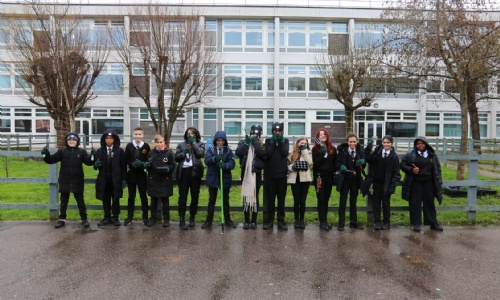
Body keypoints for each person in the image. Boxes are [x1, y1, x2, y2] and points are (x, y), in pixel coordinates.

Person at [41, 132, 95, 228]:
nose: (71, 141)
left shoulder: (81, 152)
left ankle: (84, 219)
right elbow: (51, 160)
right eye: (69, 140)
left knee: (80, 201)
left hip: (77, 180)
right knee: (64, 201)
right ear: (66, 141)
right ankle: (62, 219)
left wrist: (93, 156)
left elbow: (89, 162)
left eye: (74, 140)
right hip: (65, 180)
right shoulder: (62, 152)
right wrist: (46, 155)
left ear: (77, 141)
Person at [400, 136, 443, 232]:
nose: (420, 145)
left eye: (422, 143)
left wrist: (438, 181)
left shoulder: (432, 155)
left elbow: (437, 169)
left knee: (429, 203)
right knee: (415, 203)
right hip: (415, 182)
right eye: (418, 143)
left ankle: (432, 223)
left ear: (426, 144)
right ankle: (416, 223)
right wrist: (411, 170)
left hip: (429, 182)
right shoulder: (410, 154)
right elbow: (402, 165)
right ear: (415, 145)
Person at [363, 135, 401, 230]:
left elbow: (396, 173)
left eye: (388, 142)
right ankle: (377, 222)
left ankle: (386, 222)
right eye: (384, 142)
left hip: (387, 184)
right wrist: (369, 145)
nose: (386, 144)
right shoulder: (378, 152)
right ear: (382, 143)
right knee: (376, 203)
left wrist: (393, 185)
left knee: (386, 204)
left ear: (392, 144)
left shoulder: (394, 157)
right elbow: (367, 157)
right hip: (376, 182)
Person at [202, 131, 236, 229]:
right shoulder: (211, 150)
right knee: (211, 200)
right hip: (213, 178)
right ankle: (208, 221)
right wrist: (215, 159)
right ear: (215, 141)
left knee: (225, 201)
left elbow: (232, 163)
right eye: (218, 140)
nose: (220, 143)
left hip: (224, 178)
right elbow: (206, 161)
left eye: (222, 141)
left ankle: (228, 220)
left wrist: (225, 165)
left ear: (225, 141)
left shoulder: (228, 151)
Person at [94, 128, 127, 226]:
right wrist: (96, 165)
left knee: (116, 199)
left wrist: (124, 178)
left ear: (115, 140)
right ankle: (106, 217)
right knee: (106, 199)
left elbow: (123, 166)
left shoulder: (119, 151)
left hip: (115, 179)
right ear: (104, 140)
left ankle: (115, 217)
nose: (109, 140)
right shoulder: (100, 151)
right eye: (107, 138)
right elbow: (95, 166)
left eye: (111, 138)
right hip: (104, 179)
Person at [236, 125, 266, 230]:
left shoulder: (262, 145)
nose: (254, 136)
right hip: (246, 173)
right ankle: (247, 220)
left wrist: (255, 143)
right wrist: (247, 143)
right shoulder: (243, 142)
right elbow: (238, 153)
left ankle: (254, 220)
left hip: (256, 173)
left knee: (254, 196)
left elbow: (263, 155)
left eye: (257, 134)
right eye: (253, 134)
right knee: (246, 196)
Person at [175, 127, 205, 229]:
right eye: (188, 134)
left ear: (196, 135)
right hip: (183, 172)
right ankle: (182, 219)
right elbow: (176, 157)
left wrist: (194, 144)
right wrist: (184, 153)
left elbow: (200, 154)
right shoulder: (181, 144)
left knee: (194, 196)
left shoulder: (200, 144)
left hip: (195, 172)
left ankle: (192, 217)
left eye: (192, 134)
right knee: (182, 197)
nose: (190, 135)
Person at [336, 133, 366, 231]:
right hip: (345, 179)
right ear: (347, 142)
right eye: (350, 142)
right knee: (343, 202)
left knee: (353, 202)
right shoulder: (342, 151)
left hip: (355, 180)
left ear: (357, 142)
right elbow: (337, 163)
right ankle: (341, 223)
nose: (352, 143)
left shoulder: (360, 151)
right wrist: (341, 166)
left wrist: (362, 163)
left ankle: (353, 222)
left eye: (354, 141)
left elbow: (363, 164)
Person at [144, 134, 176, 227]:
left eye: (161, 142)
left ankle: (166, 219)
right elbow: (148, 164)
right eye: (157, 142)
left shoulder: (169, 153)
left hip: (165, 180)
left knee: (165, 202)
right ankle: (153, 218)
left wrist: (168, 168)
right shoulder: (151, 153)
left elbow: (173, 165)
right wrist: (147, 166)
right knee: (153, 201)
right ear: (155, 143)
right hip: (153, 179)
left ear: (164, 143)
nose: (159, 144)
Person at [263, 122, 290, 230]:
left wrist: (281, 142)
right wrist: (274, 142)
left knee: (281, 200)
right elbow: (268, 154)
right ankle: (269, 220)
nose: (277, 132)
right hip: (270, 175)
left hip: (282, 175)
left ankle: (281, 221)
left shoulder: (285, 141)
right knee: (270, 199)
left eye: (278, 131)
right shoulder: (268, 141)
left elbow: (284, 153)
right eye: (275, 131)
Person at [123, 127, 151, 226]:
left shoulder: (146, 146)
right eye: (136, 134)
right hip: (132, 174)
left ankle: (145, 217)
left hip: (142, 174)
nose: (137, 136)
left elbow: (149, 159)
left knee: (143, 196)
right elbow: (125, 160)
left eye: (139, 134)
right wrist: (131, 164)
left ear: (142, 135)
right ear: (133, 135)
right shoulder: (129, 146)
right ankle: (130, 217)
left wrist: (143, 164)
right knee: (131, 196)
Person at [312, 128, 337, 231]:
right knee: (321, 198)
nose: (323, 136)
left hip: (329, 176)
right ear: (318, 137)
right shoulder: (315, 149)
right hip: (319, 176)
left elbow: (335, 163)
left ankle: (325, 220)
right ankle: (322, 222)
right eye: (320, 135)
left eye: (324, 134)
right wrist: (322, 153)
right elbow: (316, 164)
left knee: (326, 199)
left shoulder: (332, 149)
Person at [287, 137, 313, 230]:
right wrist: (292, 167)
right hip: (295, 179)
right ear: (297, 143)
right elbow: (287, 165)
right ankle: (296, 220)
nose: (303, 145)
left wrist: (304, 151)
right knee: (296, 200)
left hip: (305, 179)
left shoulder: (309, 153)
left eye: (305, 143)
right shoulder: (291, 153)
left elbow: (310, 163)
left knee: (302, 201)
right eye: (301, 143)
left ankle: (301, 220)